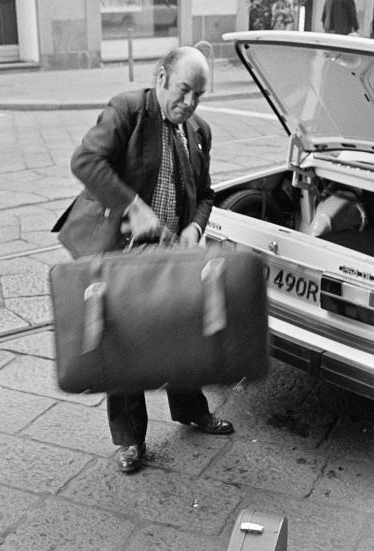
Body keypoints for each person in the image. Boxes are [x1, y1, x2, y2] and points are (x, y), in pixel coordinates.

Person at [69, 46, 234, 474]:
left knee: (181, 333)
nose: (190, 103)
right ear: (161, 77)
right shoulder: (128, 109)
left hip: (172, 251)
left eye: (199, 94)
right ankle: (128, 439)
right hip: (122, 251)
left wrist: (195, 227)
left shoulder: (199, 130)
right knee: (124, 344)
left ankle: (190, 410)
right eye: (183, 90)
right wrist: (133, 207)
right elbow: (86, 161)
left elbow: (207, 194)